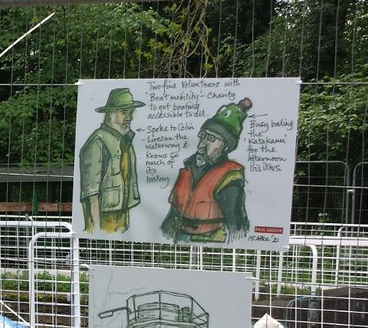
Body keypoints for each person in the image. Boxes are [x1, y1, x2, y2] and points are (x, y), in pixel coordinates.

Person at [161, 98, 252, 243]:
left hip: (211, 243)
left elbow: (236, 226)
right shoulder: (187, 171)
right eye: (202, 136)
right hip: (180, 240)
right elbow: (171, 216)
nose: (202, 144)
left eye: (211, 138)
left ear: (225, 146)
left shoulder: (229, 178)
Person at [79, 88, 145, 233]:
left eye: (131, 112)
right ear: (110, 114)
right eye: (123, 112)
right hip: (104, 220)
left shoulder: (125, 141)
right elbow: (91, 194)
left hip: (121, 217)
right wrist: (94, 232)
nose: (129, 117)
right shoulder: (97, 143)